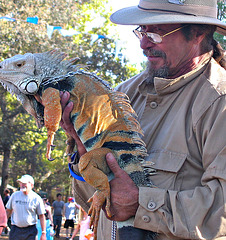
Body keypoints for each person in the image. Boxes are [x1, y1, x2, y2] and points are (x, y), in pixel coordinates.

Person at [59, 0, 226, 239]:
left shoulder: (219, 102)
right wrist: (82, 152)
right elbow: (92, 205)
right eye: (141, 30)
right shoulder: (119, 96)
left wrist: (142, 204)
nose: (143, 44)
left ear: (198, 33)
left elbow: (222, 210)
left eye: (156, 33)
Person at [6, 174, 46, 240]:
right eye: (21, 183)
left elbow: (41, 216)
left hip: (30, 230)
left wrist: (43, 233)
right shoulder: (14, 195)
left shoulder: (36, 198)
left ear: (31, 185)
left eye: (24, 183)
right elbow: (8, 211)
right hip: (15, 229)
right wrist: (2, 224)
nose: (22, 185)